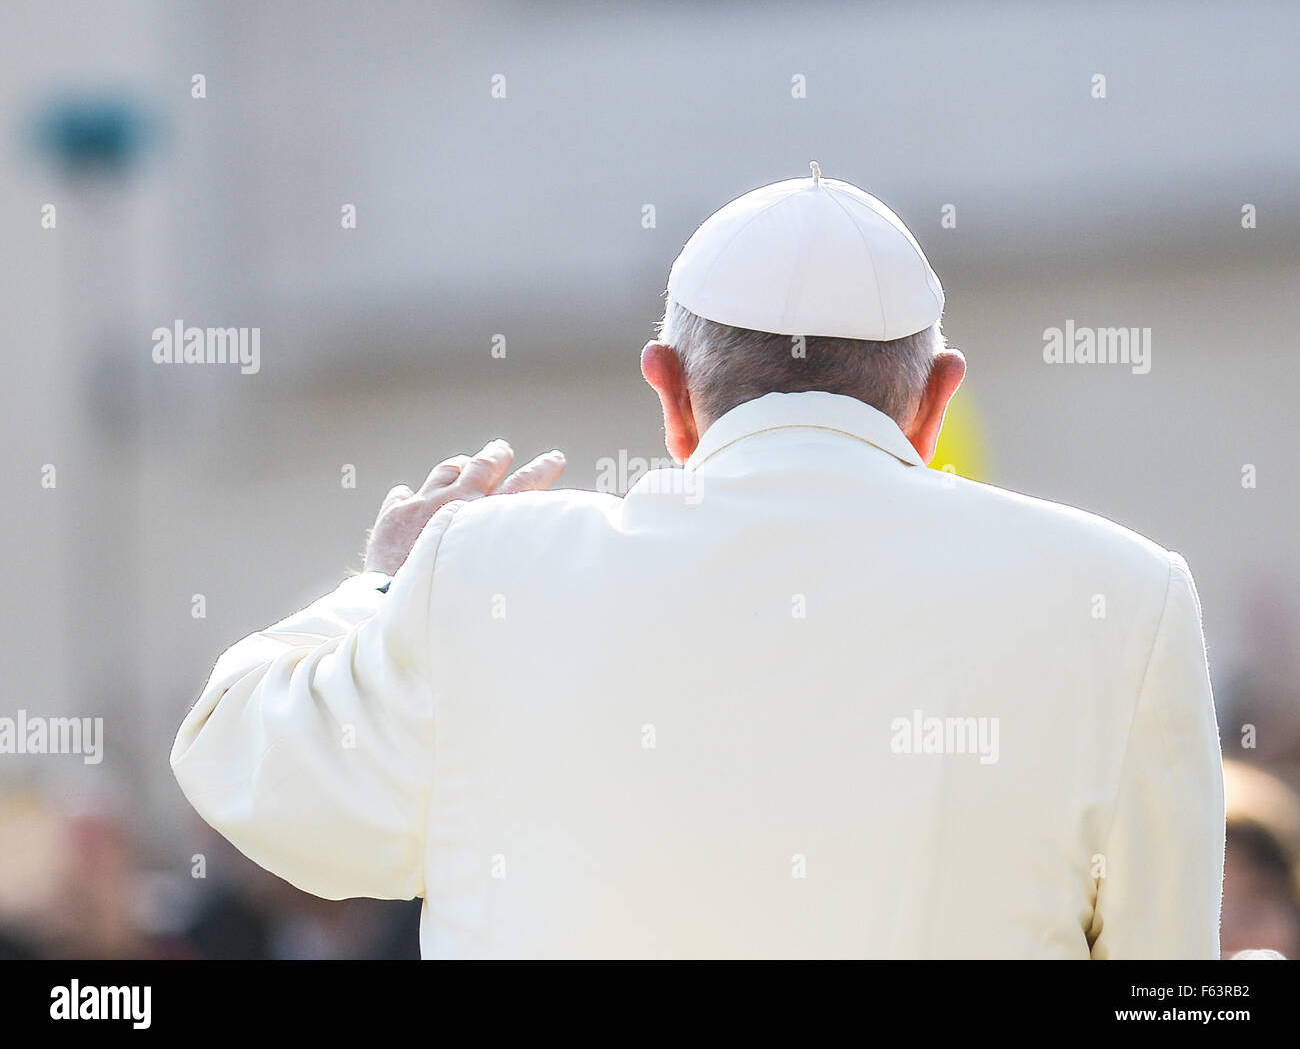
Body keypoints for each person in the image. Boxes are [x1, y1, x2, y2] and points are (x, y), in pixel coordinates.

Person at [171, 164, 1225, 958]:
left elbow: (236, 760)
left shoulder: (489, 578)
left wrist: (388, 581)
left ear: (668, 389)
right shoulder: (1122, 598)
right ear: (937, 398)